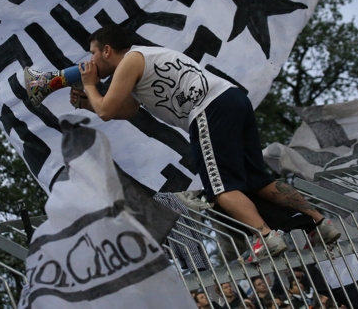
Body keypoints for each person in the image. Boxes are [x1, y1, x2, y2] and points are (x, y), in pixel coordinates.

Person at [29, 26, 340, 258]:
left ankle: (265, 237)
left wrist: (89, 85)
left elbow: (107, 110)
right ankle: (319, 222)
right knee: (257, 179)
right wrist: (88, 100)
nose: (91, 60)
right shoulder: (141, 60)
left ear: (107, 50)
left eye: (93, 53)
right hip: (232, 100)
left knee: (220, 188)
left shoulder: (130, 61)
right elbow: (126, 110)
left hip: (208, 108)